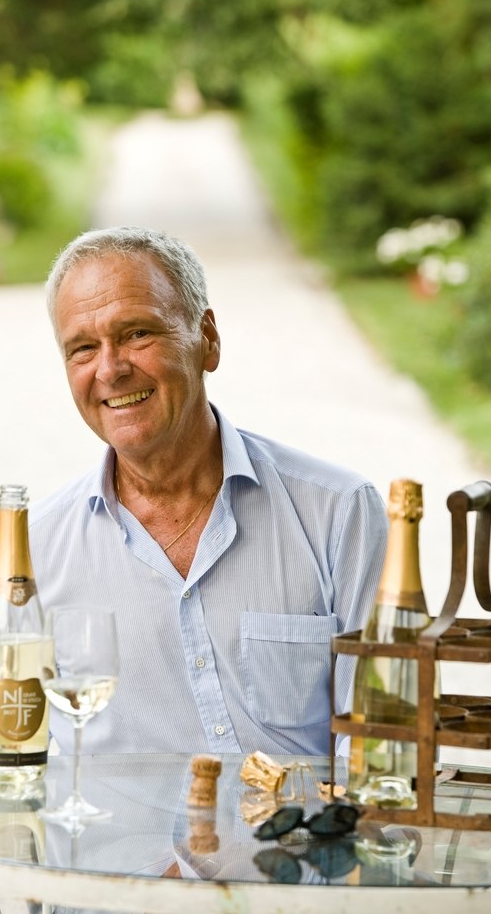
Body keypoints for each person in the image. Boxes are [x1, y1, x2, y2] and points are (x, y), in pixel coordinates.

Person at [30, 225, 387, 759]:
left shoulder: (339, 512)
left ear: (208, 339)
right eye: (83, 348)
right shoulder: (38, 545)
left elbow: (379, 742)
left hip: (296, 818)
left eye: (137, 334)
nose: (111, 369)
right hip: (115, 821)